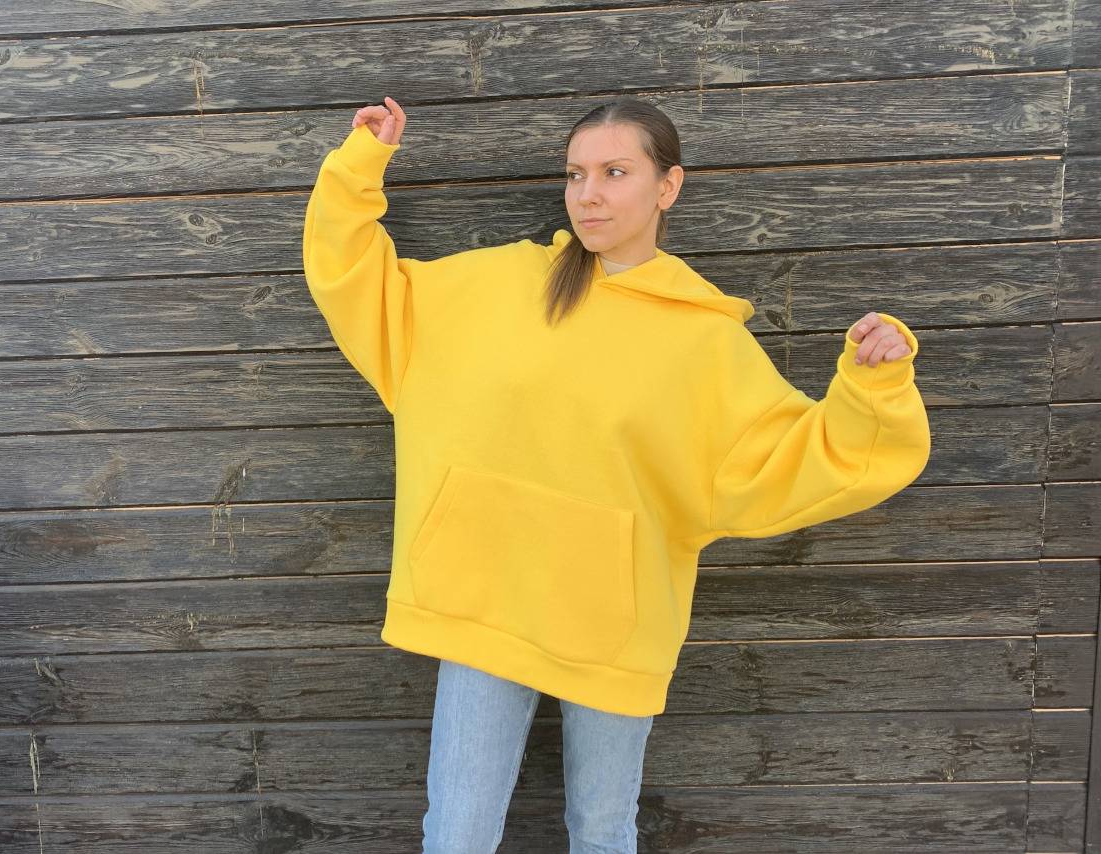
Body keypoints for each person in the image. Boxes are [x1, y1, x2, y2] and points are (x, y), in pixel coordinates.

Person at [302, 95, 931, 853]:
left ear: (668, 186)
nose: (588, 194)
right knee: (457, 835)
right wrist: (359, 165)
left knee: (603, 833)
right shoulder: (502, 284)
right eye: (576, 174)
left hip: (615, 623)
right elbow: (361, 285)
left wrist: (873, 385)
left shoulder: (704, 339)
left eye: (615, 172)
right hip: (487, 601)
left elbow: (802, 455)